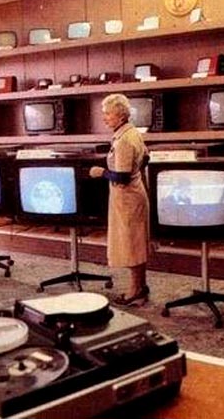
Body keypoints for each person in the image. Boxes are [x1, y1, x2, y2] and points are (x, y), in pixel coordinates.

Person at [90, 94, 150, 306]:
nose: (104, 117)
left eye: (108, 114)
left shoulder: (124, 139)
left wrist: (101, 172)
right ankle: (141, 286)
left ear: (121, 115)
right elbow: (146, 158)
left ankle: (135, 291)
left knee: (131, 246)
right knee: (137, 243)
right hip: (134, 194)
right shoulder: (132, 132)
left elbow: (122, 177)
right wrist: (135, 174)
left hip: (127, 198)